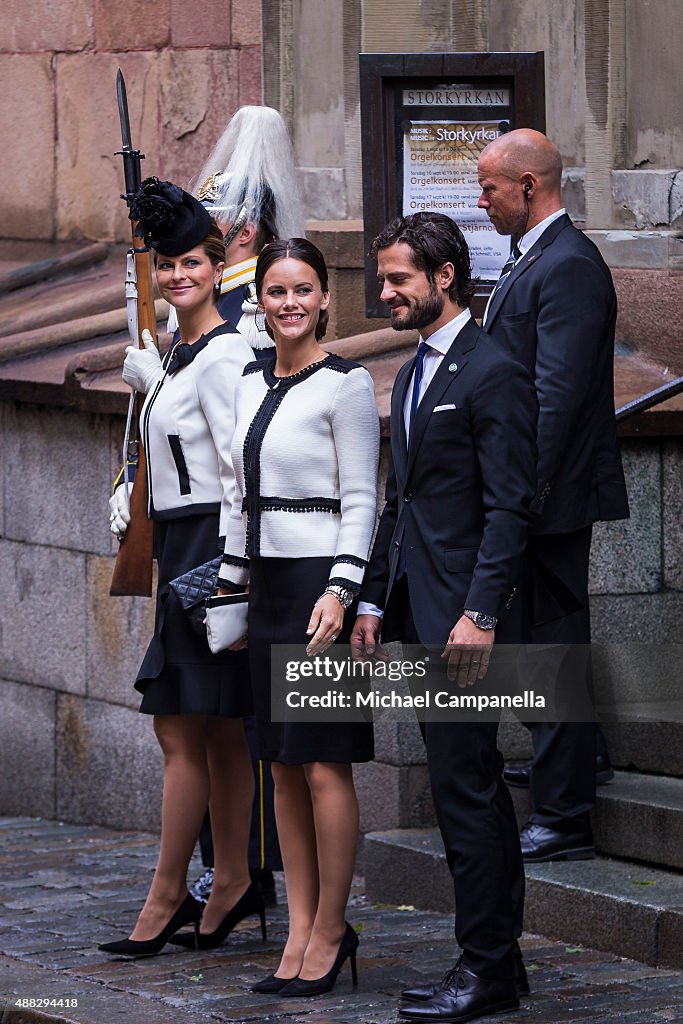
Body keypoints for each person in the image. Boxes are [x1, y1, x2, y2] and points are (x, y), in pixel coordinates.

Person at [351, 212, 537, 1024]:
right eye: (383, 278)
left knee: (468, 793)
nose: (384, 293)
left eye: (397, 280)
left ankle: (489, 969)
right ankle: (492, 964)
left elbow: (510, 507)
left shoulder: (489, 368)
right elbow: (409, 496)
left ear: (444, 278)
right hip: (420, 608)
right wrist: (367, 595)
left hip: (463, 623)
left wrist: (479, 614)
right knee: (466, 790)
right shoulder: (420, 365)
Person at [101, 179, 263, 955]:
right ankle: (229, 880)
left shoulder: (226, 350)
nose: (175, 276)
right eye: (165, 265)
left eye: (191, 263)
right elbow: (178, 450)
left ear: (216, 268)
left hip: (211, 548)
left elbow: (239, 471)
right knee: (221, 731)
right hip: (180, 540)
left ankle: (168, 895)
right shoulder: (184, 347)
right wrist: (134, 494)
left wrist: (233, 575)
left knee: (178, 728)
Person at [218, 238, 379, 996]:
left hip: (319, 588)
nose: (289, 303)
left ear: (323, 300)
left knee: (322, 763)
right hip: (267, 588)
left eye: (303, 290)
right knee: (278, 764)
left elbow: (363, 498)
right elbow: (234, 497)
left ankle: (332, 929)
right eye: (276, 291)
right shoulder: (249, 383)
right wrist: (231, 592)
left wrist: (342, 590)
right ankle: (298, 927)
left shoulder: (345, 386)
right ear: (262, 301)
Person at [477, 128, 629, 862]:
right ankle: (570, 758)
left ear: (529, 185)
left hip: (549, 493)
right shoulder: (536, 257)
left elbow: (554, 398)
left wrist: (513, 494)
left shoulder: (567, 264)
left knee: (550, 644)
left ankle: (564, 811)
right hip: (532, 490)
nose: (482, 203)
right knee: (534, 638)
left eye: (490, 189)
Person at [186, 105, 306, 903]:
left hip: (247, 527)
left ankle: (252, 865)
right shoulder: (209, 299)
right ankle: (230, 862)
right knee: (211, 713)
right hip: (200, 521)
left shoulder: (252, 311)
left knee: (242, 710)